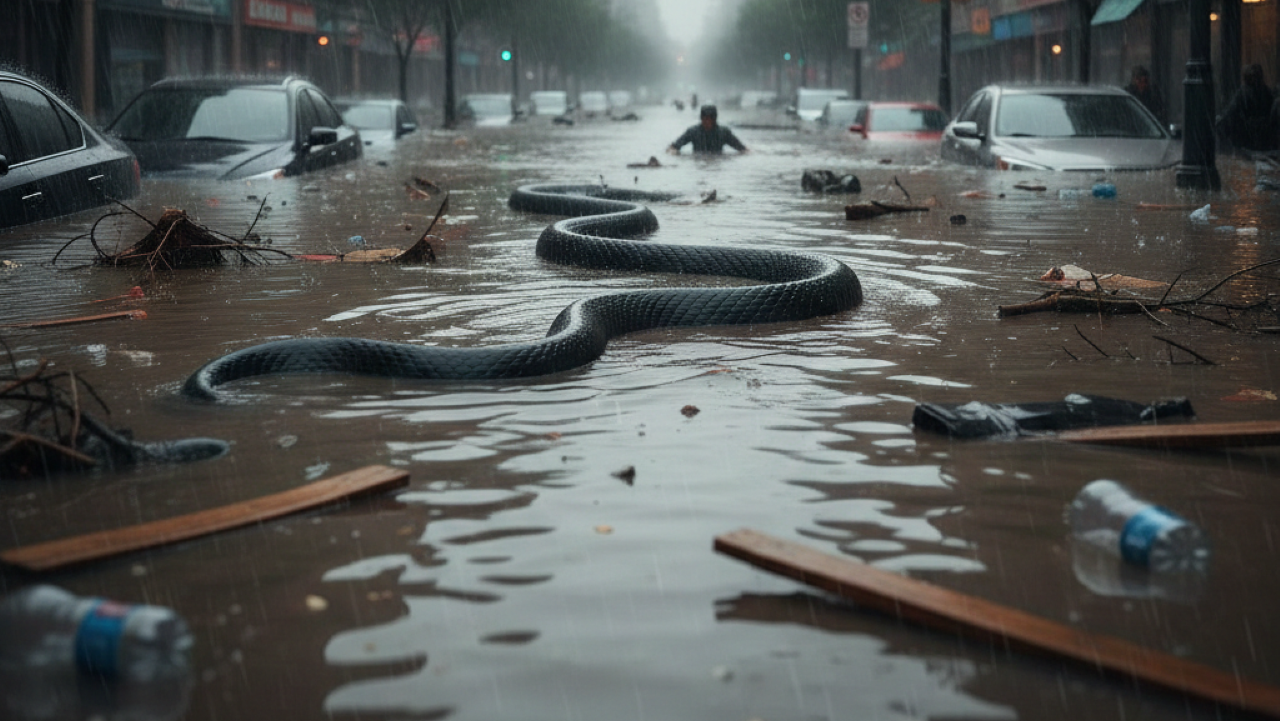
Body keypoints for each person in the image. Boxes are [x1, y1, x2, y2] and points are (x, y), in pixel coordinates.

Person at [1217, 64, 1277, 152]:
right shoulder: (1261, 90)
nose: (1254, 79)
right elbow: (1232, 109)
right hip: (1259, 132)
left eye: (1255, 76)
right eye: (1252, 77)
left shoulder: (1247, 92)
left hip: (1252, 132)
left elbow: (1232, 109)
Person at [667, 105, 748, 155]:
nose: (708, 122)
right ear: (701, 119)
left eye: (710, 119)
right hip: (698, 159)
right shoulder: (693, 132)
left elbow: (742, 149)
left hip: (717, 159)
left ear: (715, 119)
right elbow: (675, 146)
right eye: (705, 118)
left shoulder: (723, 133)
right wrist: (672, 152)